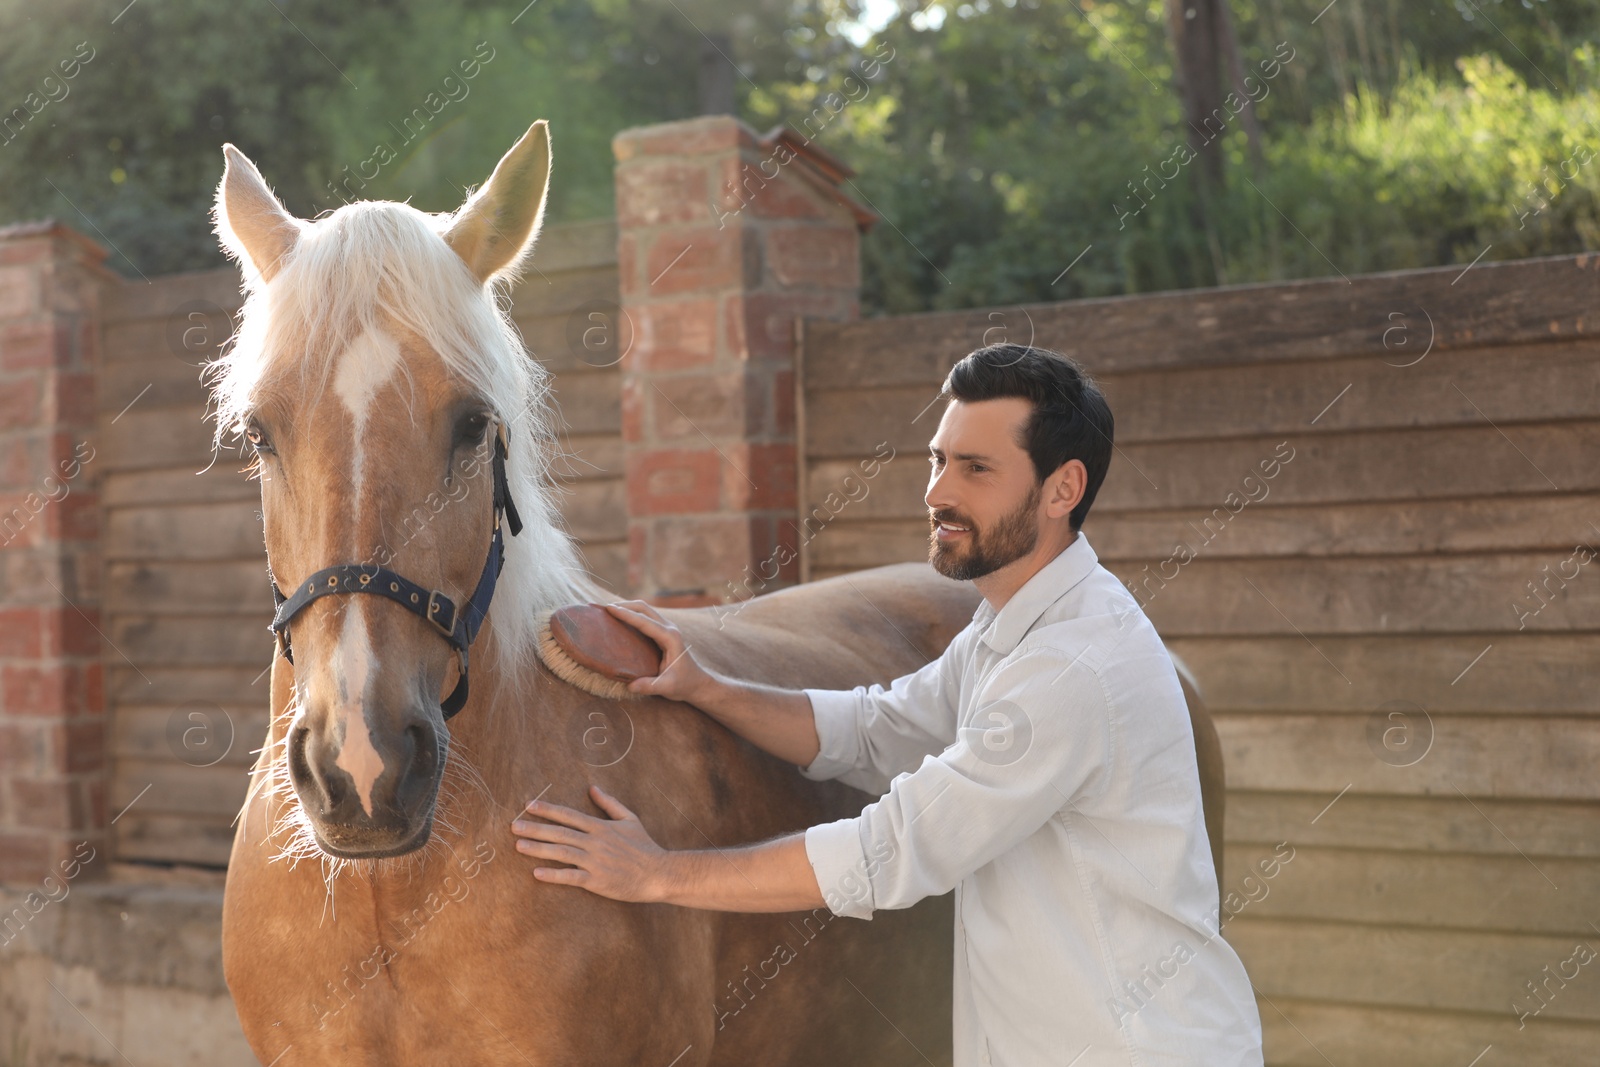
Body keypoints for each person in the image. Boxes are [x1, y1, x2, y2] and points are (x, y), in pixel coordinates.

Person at [511, 343, 1264, 1065]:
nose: (938, 491)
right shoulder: (1010, 622)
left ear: (1062, 488)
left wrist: (657, 875)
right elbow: (877, 730)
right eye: (939, 459)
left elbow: (885, 853)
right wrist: (707, 685)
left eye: (975, 468)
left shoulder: (1069, 669)